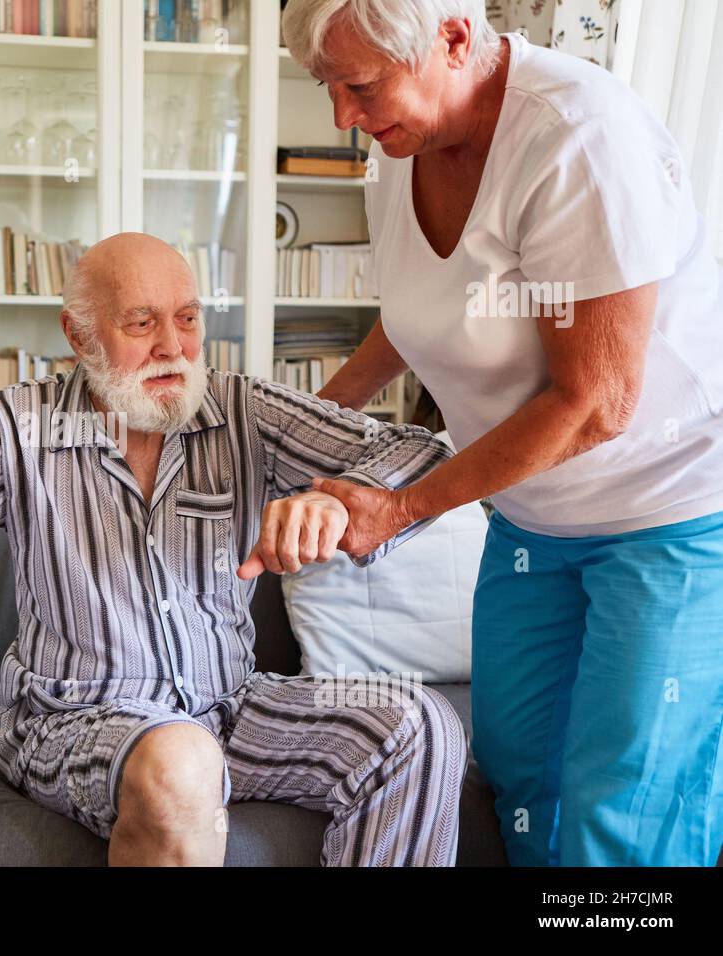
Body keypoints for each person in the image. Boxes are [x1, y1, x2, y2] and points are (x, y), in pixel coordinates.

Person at [0, 232, 465, 866]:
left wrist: (342, 500)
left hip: (230, 707)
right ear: (78, 334)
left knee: (418, 727)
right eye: (142, 324)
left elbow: (417, 451)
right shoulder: (16, 424)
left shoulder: (243, 410)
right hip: (74, 718)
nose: (172, 347)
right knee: (179, 762)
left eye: (187, 319)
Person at [282, 0, 723, 865]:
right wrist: (292, 426)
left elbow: (597, 403)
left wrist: (400, 509)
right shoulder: (399, 147)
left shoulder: (576, 137)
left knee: (620, 810)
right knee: (521, 772)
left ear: (452, 37)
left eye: (360, 84)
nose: (343, 116)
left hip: (670, 512)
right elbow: (414, 318)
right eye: (324, 84)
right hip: (532, 524)